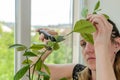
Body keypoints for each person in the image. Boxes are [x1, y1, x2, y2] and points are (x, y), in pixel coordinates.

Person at [35, 14, 120, 80]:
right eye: (83, 44)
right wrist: (47, 47)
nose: (87, 50)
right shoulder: (78, 73)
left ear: (117, 44)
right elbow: (34, 69)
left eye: (95, 42)